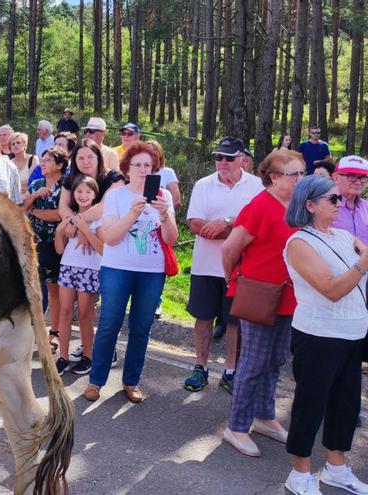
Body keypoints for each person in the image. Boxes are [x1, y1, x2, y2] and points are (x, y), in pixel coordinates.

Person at [280, 175, 368, 495]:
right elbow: (331, 289)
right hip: (319, 335)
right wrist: (364, 262)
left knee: (345, 405)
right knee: (311, 404)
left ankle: (336, 468)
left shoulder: (344, 236)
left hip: (353, 333)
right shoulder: (300, 243)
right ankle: (299, 472)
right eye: (332, 199)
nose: (339, 203)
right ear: (310, 205)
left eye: (338, 198)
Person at [220, 150, 303, 458]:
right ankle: (237, 425)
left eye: (301, 173)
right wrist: (236, 281)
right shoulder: (259, 206)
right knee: (253, 361)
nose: (300, 179)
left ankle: (264, 415)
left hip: (289, 296)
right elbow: (230, 249)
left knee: (276, 358)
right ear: (274, 177)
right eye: (294, 174)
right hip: (259, 296)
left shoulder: (297, 207)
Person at [83, 141, 177, 404]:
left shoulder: (163, 196)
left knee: (141, 327)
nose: (143, 170)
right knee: (109, 324)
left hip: (151, 271)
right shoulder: (116, 196)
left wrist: (165, 215)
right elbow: (110, 238)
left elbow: (171, 239)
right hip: (117, 269)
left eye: (149, 165)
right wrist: (132, 215)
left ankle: (131, 381)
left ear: (155, 168)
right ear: (127, 168)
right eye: (138, 165)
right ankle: (96, 380)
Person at [183, 137, 264, 394]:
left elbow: (260, 223)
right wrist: (238, 233)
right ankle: (200, 367)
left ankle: (231, 371)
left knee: (234, 323)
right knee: (203, 318)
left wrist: (227, 223)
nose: (223, 162)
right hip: (205, 266)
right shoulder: (203, 185)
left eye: (229, 157)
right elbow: (195, 225)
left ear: (243, 159)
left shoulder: (258, 186)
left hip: (242, 268)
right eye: (219, 157)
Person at [54, 174, 103, 375]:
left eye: (88, 192)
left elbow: (102, 249)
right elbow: (59, 250)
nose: (83, 195)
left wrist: (84, 228)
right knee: (65, 312)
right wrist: (59, 231)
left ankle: (88, 356)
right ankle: (63, 357)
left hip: (90, 269)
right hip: (68, 267)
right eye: (79, 191)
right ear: (73, 194)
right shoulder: (69, 217)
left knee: (84, 314)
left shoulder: (99, 218)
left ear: (95, 195)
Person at [23, 149, 67, 372]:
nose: (44, 163)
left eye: (49, 160)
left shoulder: (66, 186)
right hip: (34, 243)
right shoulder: (37, 183)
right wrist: (34, 197)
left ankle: (55, 332)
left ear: (60, 165)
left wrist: (37, 212)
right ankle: (33, 332)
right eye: (44, 159)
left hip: (56, 244)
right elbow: (23, 208)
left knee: (54, 290)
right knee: (32, 289)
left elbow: (60, 214)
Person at [332, 156, 368, 245]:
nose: (359, 182)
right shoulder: (323, 206)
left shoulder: (366, 207)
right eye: (352, 176)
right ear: (336, 177)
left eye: (363, 177)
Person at [147, 140, 182, 209]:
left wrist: (165, 212)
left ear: (159, 153)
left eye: (154, 151)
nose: (151, 154)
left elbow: (177, 201)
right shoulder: (141, 172)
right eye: (147, 151)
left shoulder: (168, 172)